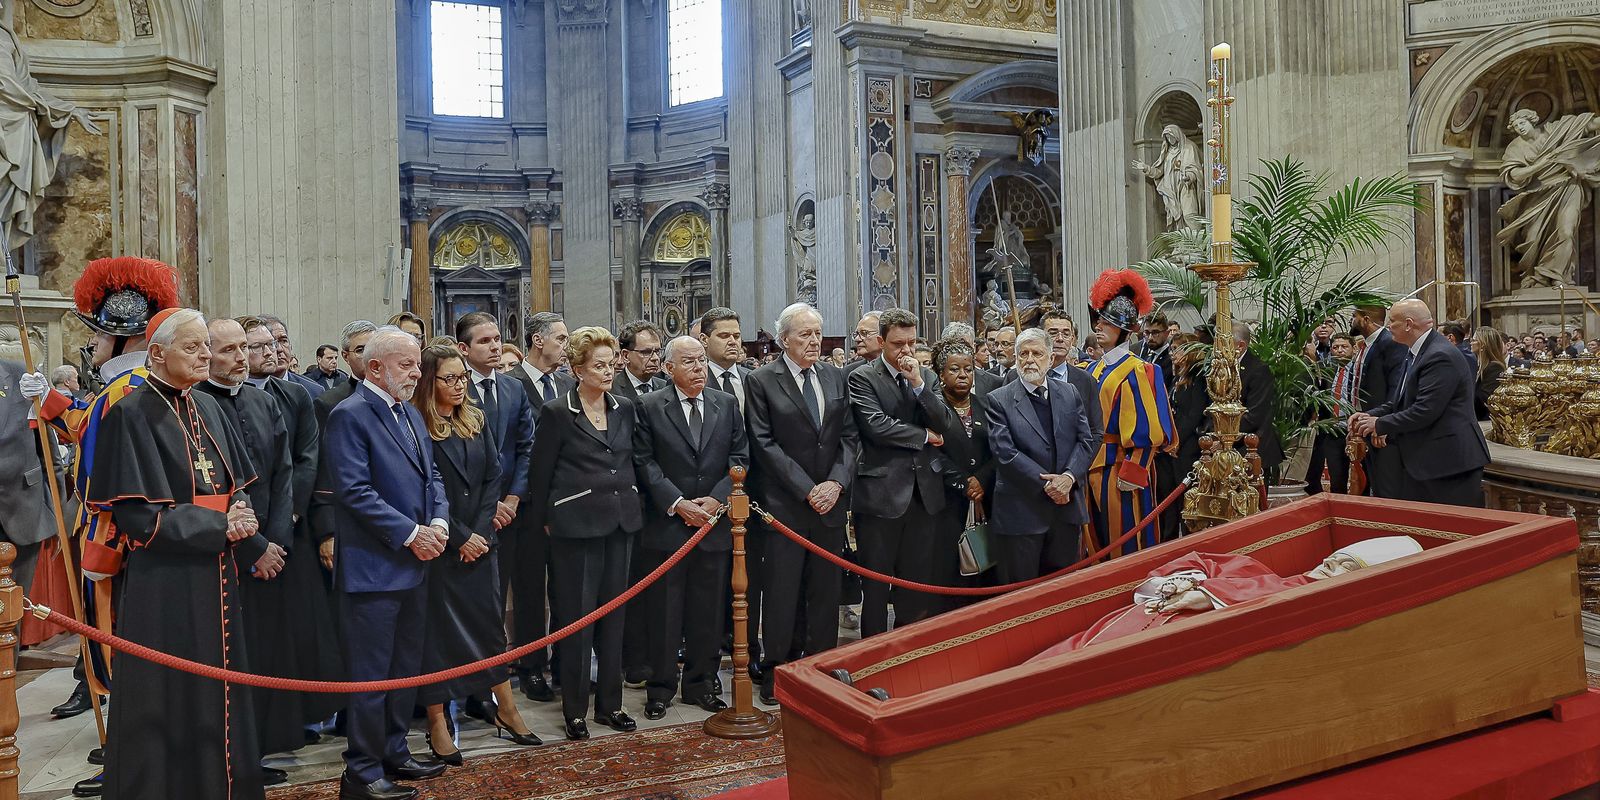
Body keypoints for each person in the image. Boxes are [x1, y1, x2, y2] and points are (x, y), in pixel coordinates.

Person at [87, 308, 274, 800]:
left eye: (205, 346)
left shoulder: (207, 406)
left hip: (218, 576)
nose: (205, 356)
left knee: (222, 690)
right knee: (171, 691)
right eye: (193, 347)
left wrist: (241, 510)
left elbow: (234, 484)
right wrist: (220, 524)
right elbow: (137, 519)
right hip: (166, 584)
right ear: (157, 353)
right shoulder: (130, 412)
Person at [28, 258, 178, 780]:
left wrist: (50, 402)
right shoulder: (133, 387)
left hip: (112, 538)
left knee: (113, 648)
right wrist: (47, 400)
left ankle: (126, 754)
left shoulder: (124, 389)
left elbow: (89, 439)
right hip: (127, 537)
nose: (91, 346)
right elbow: (82, 424)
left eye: (97, 337)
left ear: (122, 340)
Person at [193, 318, 329, 786]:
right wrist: (253, 547)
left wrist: (276, 542)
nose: (237, 358)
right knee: (231, 655)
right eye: (228, 349)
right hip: (222, 554)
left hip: (273, 547)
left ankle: (261, 746)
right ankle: (231, 753)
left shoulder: (262, 399)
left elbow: (284, 472)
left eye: (240, 349)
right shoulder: (196, 405)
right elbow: (221, 488)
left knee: (268, 652)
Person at [325, 326, 452, 800]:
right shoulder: (350, 415)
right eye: (407, 365)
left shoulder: (410, 414)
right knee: (372, 676)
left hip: (415, 563)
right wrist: (410, 534)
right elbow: (355, 492)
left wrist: (438, 523)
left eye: (418, 364)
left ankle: (395, 750)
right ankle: (361, 770)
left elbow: (431, 476)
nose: (417, 373)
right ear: (375, 368)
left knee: (405, 669)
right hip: (373, 569)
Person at [412, 343, 540, 768]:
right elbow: (426, 490)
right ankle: (438, 722)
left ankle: (506, 707)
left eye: (462, 378)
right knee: (439, 639)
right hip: (441, 545)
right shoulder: (416, 424)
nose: (458, 386)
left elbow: (492, 477)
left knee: (489, 631)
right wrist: (460, 537)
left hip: (482, 543)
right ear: (429, 382)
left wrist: (482, 532)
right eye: (448, 379)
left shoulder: (476, 417)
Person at [526, 327, 644, 740]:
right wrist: (545, 520)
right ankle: (575, 709)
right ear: (578, 370)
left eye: (612, 363)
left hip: (621, 522)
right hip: (575, 527)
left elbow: (632, 460)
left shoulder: (626, 407)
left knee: (615, 619)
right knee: (577, 620)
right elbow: (540, 472)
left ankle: (610, 705)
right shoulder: (558, 412)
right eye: (599, 365)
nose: (609, 370)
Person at [1031, 537, 1422, 659]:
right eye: (1333, 560)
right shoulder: (1253, 571)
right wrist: (1182, 582)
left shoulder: (1306, 600)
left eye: (1345, 570)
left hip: (1153, 649)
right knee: (1064, 651)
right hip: (1130, 623)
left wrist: (1209, 597)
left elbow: (1271, 603)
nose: (1327, 569)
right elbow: (1201, 560)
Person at [746, 302, 860, 704]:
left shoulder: (834, 375)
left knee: (825, 592)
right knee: (782, 593)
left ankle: (823, 666)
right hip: (785, 506)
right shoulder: (762, 380)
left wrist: (835, 483)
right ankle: (777, 670)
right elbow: (763, 443)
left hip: (830, 504)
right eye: (805, 334)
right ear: (784, 340)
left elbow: (849, 436)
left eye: (817, 333)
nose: (814, 341)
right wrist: (806, 488)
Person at [632, 336, 748, 719]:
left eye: (701, 361)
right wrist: (678, 503)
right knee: (664, 613)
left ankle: (701, 683)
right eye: (690, 362)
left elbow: (740, 456)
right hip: (668, 526)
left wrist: (717, 500)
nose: (699, 368)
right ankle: (661, 688)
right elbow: (645, 463)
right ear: (669, 368)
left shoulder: (726, 403)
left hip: (713, 525)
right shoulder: (648, 406)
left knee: (708, 611)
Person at [849, 309, 960, 635]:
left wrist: (918, 385)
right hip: (880, 496)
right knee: (876, 585)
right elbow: (876, 426)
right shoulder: (863, 377)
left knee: (916, 583)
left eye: (912, 343)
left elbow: (946, 424)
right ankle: (871, 654)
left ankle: (906, 652)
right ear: (882, 341)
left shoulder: (925, 378)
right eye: (898, 344)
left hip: (924, 494)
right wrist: (924, 436)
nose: (907, 351)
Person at [453, 312, 540, 711]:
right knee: (478, 606)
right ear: (463, 349)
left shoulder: (512, 387)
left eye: (497, 339)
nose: (493, 346)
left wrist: (514, 498)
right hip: (469, 517)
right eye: (484, 341)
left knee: (519, 593)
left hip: (512, 511)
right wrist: (487, 510)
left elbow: (526, 447)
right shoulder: (451, 390)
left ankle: (520, 671)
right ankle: (473, 689)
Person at [1350, 300, 1490, 507]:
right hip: (1430, 460)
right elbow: (1401, 400)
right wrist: (1372, 415)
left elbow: (1425, 410)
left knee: (1447, 530)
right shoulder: (1415, 351)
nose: (1388, 327)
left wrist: (1379, 424)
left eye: (1392, 322)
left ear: (1408, 324)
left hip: (1450, 462)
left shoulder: (1439, 355)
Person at [983, 329, 1094, 583]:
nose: (1029, 359)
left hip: (1065, 510)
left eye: (1037, 353)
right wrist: (1049, 484)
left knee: (1063, 592)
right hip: (1022, 513)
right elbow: (1005, 453)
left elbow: (1085, 440)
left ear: (1050, 357)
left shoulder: (1069, 393)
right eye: (1023, 354)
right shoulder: (999, 399)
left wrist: (1068, 478)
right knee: (1022, 596)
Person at [504, 311, 573, 699]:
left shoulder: (567, 383)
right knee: (530, 591)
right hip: (527, 506)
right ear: (537, 340)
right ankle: (532, 667)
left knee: (566, 589)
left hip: (567, 504)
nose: (566, 346)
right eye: (560, 339)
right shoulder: (511, 385)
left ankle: (567, 663)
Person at [1083, 270, 1175, 556]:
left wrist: (1135, 469)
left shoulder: (1140, 369)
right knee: (1094, 541)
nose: (1099, 326)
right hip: (1090, 463)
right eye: (1099, 319)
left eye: (1107, 322)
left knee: (1124, 539)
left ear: (1123, 329)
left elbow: (1151, 429)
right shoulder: (1092, 368)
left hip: (1119, 466)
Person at [931, 338, 995, 569]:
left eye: (968, 369)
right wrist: (963, 481)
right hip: (946, 499)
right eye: (954, 369)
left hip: (985, 497)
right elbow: (929, 452)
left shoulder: (987, 405)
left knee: (984, 566)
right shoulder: (933, 408)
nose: (963, 375)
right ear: (940, 374)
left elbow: (999, 449)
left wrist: (982, 480)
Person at [1, 358, 55, 597]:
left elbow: (47, 449)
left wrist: (56, 510)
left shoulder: (20, 375)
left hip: (22, 512)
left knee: (14, 611)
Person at [1347, 303, 1410, 499]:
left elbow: (1396, 388)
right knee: (1369, 482)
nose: (1351, 320)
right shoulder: (1366, 344)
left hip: (1381, 429)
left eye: (1354, 315)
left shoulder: (1389, 343)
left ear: (1365, 319)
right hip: (1367, 423)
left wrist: (1384, 424)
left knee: (1386, 489)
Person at [1038, 310, 1104, 443]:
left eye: (1066, 334)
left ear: (1073, 340)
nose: (1060, 339)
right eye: (1053, 333)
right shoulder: (1019, 376)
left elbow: (1095, 431)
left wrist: (1078, 463)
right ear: (1040, 336)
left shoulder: (1086, 381)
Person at [1307, 333, 1356, 495]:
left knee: (1359, 478)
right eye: (1336, 347)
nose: (1340, 351)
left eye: (1344, 347)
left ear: (1353, 349)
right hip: (1333, 429)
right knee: (1337, 478)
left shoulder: (1359, 369)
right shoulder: (1327, 370)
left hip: (1354, 429)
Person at [1235, 323, 1284, 478]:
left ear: (1240, 346)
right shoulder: (1223, 368)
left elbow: (1254, 415)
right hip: (1228, 447)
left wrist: (1225, 438)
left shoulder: (1258, 369)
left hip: (1252, 445)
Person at [259, 314, 326, 399]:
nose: (279, 349)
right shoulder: (242, 390)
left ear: (291, 346)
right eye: (270, 343)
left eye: (283, 341)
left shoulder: (312, 391)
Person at [1471, 327, 1508, 422]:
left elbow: (1486, 398)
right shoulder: (1480, 365)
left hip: (1486, 419)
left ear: (1483, 344)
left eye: (1474, 340)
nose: (1471, 343)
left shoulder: (1494, 367)